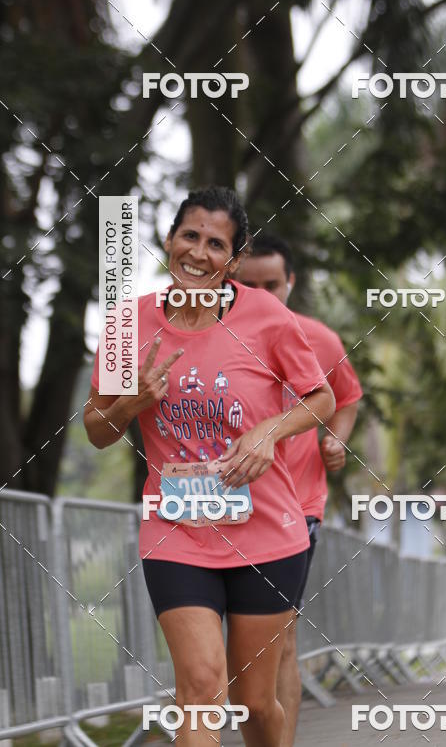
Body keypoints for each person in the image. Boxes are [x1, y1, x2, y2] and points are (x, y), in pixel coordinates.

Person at [84, 187, 336, 747]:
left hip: (268, 534)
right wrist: (131, 403)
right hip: (177, 531)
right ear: (170, 240)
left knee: (253, 705)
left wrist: (269, 431)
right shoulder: (131, 325)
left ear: (236, 259)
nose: (198, 253)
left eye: (216, 243)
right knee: (198, 689)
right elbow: (97, 430)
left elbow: (321, 398)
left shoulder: (265, 315)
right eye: (189, 236)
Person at [236, 232, 362, 747]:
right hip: (226, 500)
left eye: (273, 284)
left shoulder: (319, 338)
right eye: (251, 284)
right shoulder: (213, 332)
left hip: (296, 505)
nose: (263, 294)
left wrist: (336, 440)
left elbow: (347, 397)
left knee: (281, 637)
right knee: (236, 648)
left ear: (291, 283)